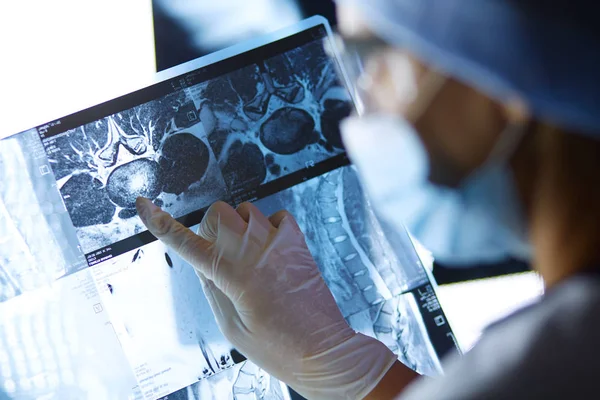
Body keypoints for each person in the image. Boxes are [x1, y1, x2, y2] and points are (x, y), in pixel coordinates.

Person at [135, 0, 600, 398]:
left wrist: (333, 363)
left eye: (371, 58)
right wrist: (359, 376)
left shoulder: (555, 360)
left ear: (499, 80)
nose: (361, 94)